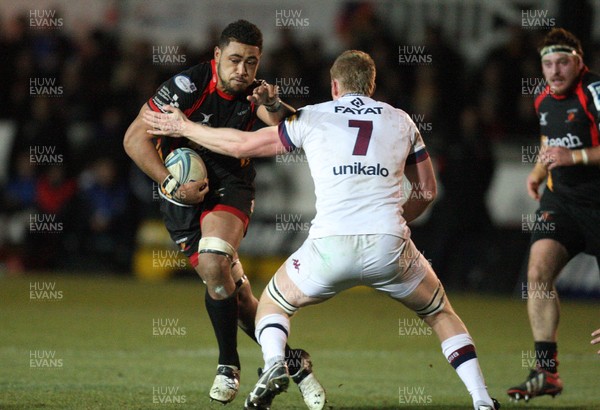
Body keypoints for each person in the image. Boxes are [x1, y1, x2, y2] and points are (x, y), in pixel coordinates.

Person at [143, 50, 500, 410]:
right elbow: (427, 192)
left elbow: (242, 144)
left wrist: (184, 127)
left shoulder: (313, 116)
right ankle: (482, 400)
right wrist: (392, 221)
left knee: (271, 306)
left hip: (330, 247)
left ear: (334, 86)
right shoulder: (402, 120)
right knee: (440, 313)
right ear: (371, 86)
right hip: (389, 244)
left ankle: (272, 366)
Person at [123, 20, 325, 408]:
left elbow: (293, 130)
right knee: (234, 292)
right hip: (181, 192)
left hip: (231, 186)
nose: (243, 71)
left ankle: (227, 365)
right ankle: (293, 362)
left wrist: (272, 104)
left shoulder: (256, 94)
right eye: (235, 60)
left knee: (216, 260)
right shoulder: (187, 88)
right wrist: (169, 183)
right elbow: (134, 138)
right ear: (216, 56)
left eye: (251, 62)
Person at [506, 28, 600, 402]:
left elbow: (568, 151)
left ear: (579, 62)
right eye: (548, 64)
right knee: (537, 271)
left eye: (563, 62)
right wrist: (537, 173)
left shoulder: (594, 92)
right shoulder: (543, 99)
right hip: (561, 202)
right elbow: (550, 144)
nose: (555, 70)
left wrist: (573, 157)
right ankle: (546, 371)